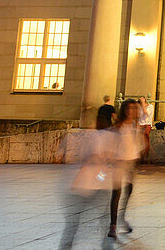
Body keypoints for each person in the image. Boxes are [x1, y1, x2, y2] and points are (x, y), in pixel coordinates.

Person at [58, 128, 115, 249]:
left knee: (74, 225)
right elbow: (92, 161)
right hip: (85, 187)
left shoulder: (92, 138)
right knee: (76, 224)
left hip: (86, 187)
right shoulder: (98, 139)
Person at [108, 98, 143, 239]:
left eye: (133, 108)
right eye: (128, 108)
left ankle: (121, 217)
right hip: (118, 162)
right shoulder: (118, 126)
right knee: (116, 193)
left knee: (128, 190)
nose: (130, 111)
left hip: (130, 162)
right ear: (124, 110)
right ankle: (113, 225)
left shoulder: (135, 125)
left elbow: (137, 144)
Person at [138, 96, 154, 161]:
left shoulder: (150, 107)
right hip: (140, 124)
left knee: (145, 136)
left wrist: (143, 104)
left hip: (147, 124)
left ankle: (145, 156)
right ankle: (139, 156)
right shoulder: (139, 108)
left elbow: (145, 113)